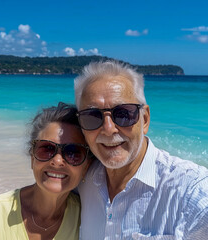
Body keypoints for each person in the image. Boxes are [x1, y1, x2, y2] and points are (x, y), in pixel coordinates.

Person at [74, 61, 208, 239]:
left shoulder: (191, 194)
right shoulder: (80, 181)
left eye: (123, 114)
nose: (108, 129)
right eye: (92, 117)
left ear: (144, 120)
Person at [0, 102, 91, 240]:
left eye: (73, 153)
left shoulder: (87, 220)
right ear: (32, 157)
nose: (57, 161)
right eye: (47, 149)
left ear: (86, 166)